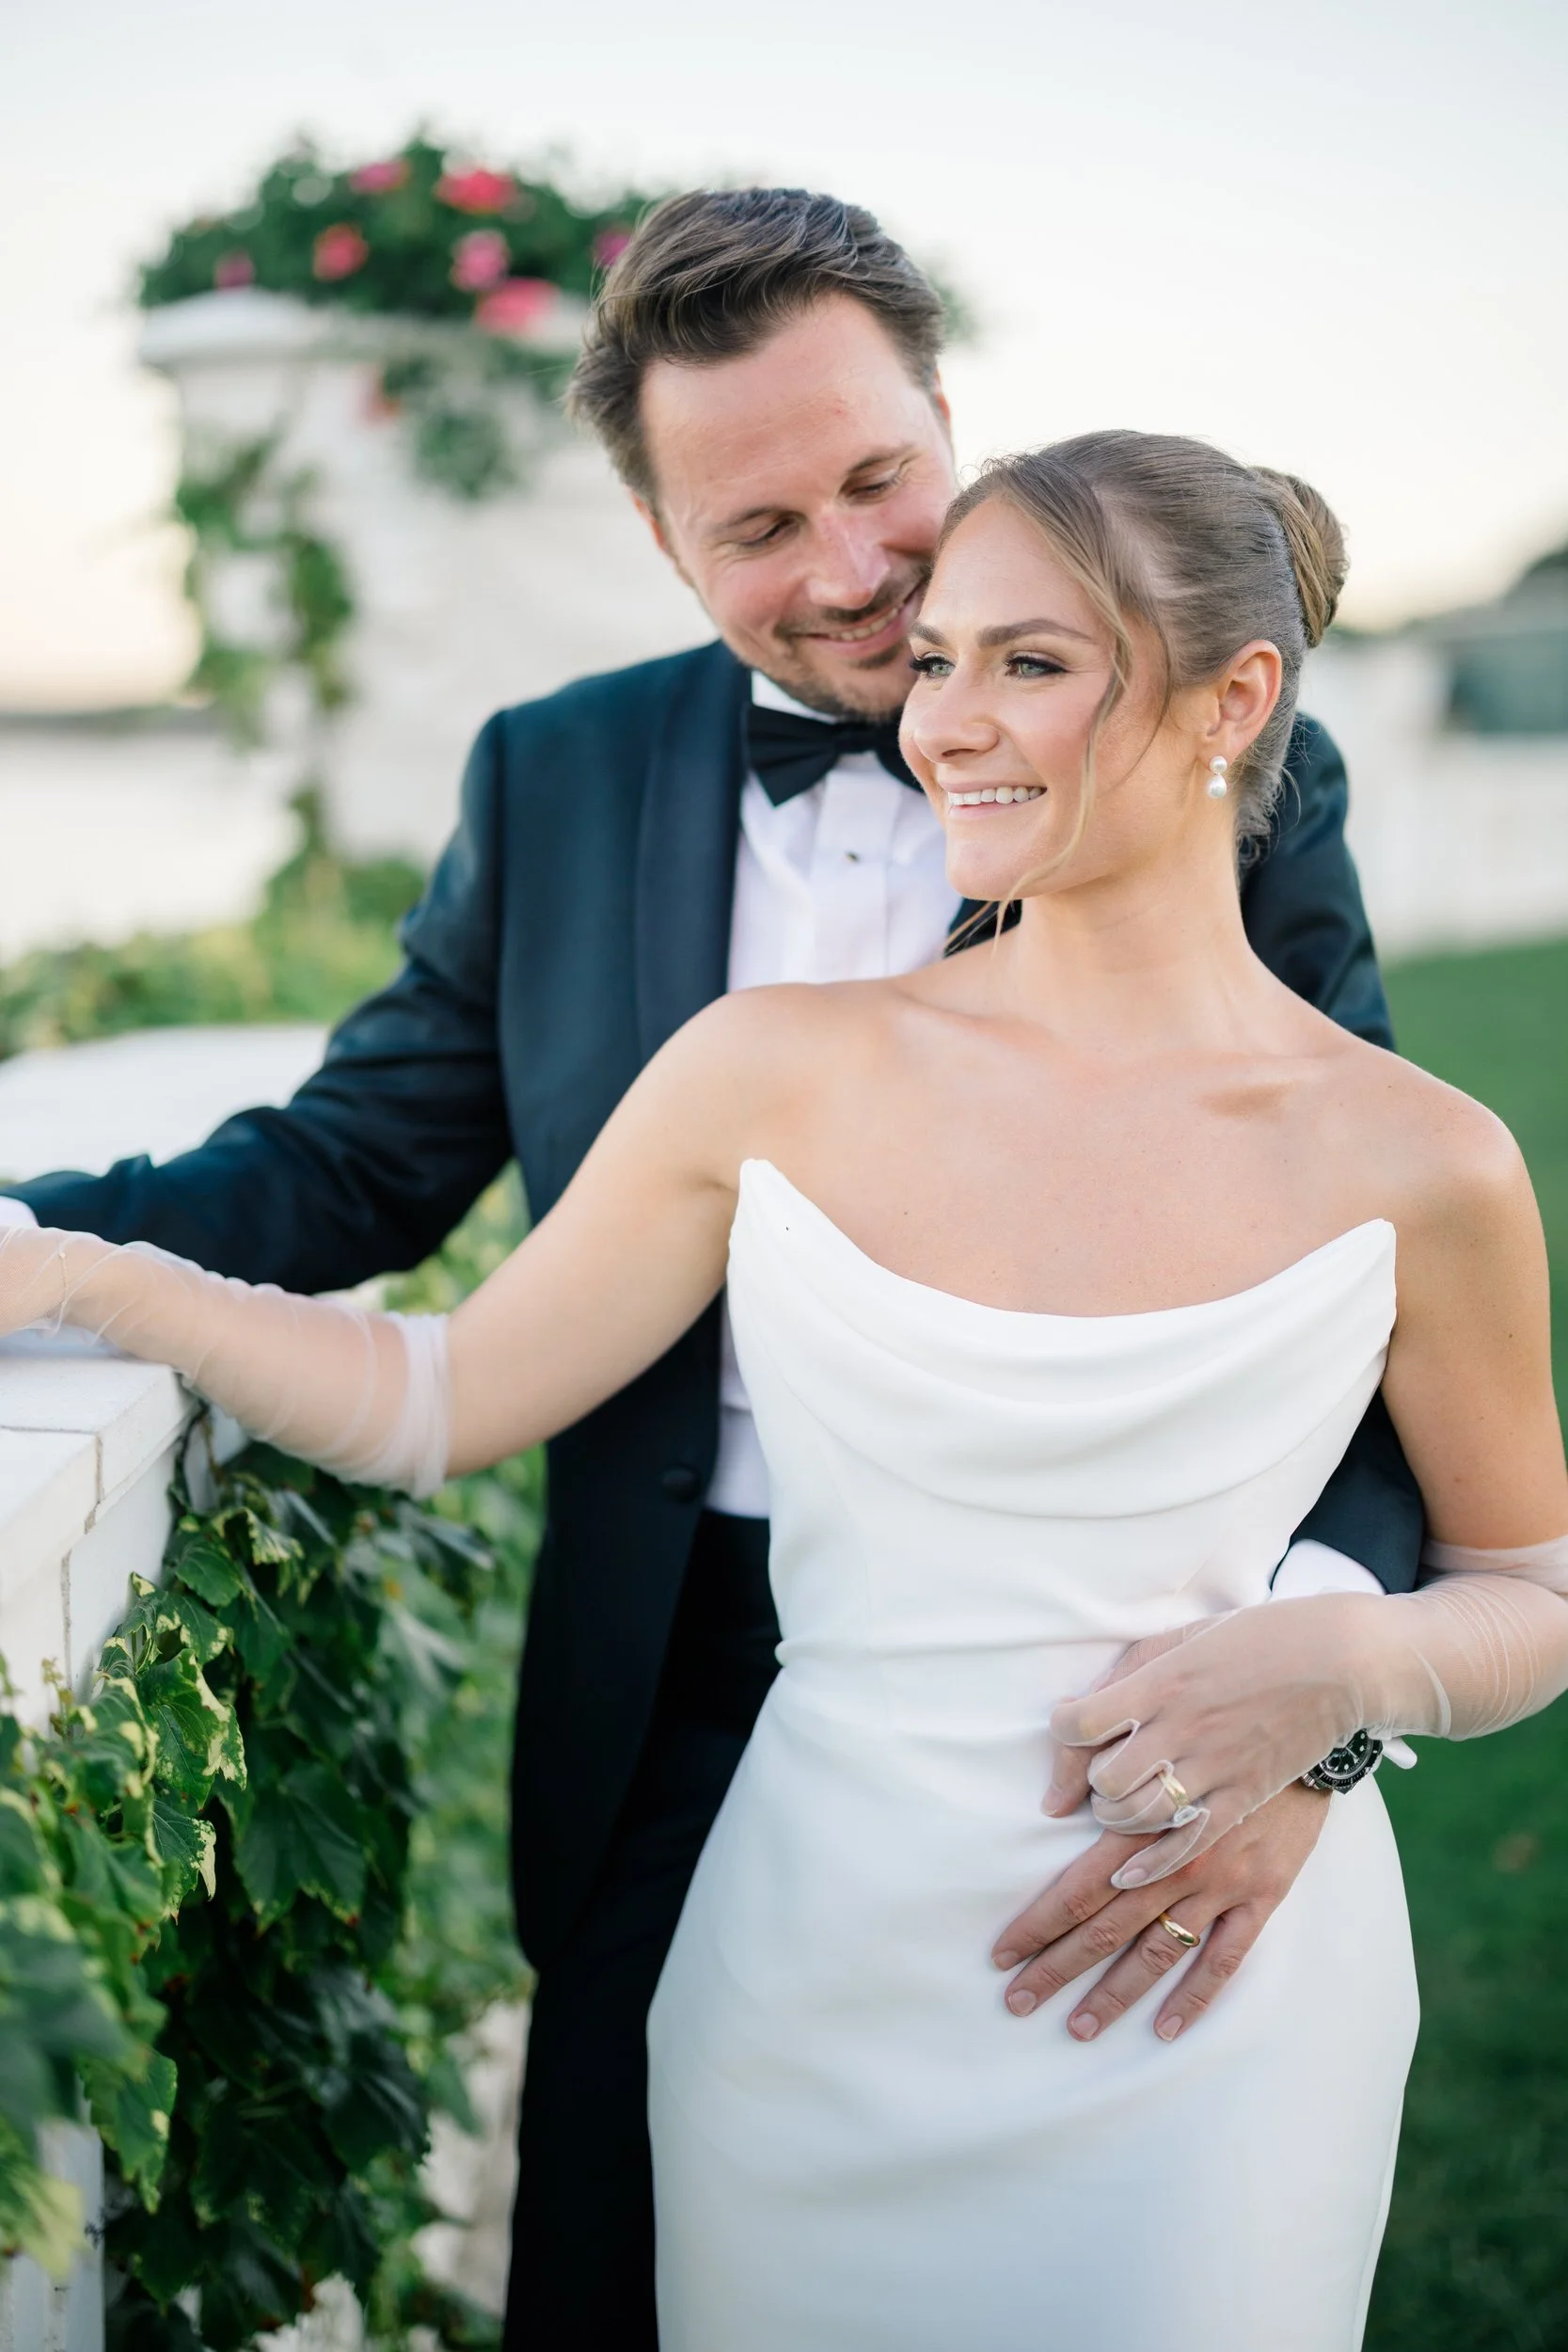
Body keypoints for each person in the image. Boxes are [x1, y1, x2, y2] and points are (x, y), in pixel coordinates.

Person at [1, 193, 1420, 2344]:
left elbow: (1347, 1261)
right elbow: (348, 1163)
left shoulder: (1187, 760)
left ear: (949, 419)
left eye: (877, 481)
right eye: (759, 523)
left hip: (1117, 1685)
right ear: (663, 546)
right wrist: (45, 1240)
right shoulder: (554, 777)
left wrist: (1310, 1695)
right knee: (619, 2257)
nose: (851, 571)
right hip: (673, 1657)